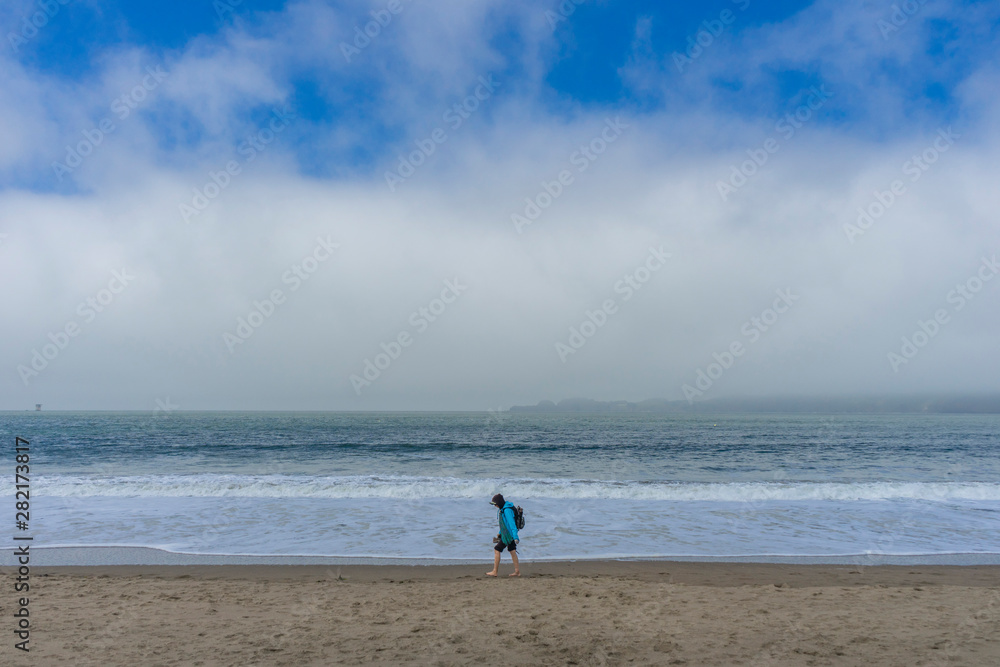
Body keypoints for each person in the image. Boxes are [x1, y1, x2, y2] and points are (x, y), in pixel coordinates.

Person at [486, 493, 520, 577]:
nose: (495, 506)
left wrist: (515, 537)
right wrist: (500, 533)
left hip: (509, 535)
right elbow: (504, 524)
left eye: (495, 504)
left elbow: (512, 524)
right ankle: (517, 571)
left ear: (499, 503)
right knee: (512, 551)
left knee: (497, 549)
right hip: (507, 534)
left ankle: (495, 571)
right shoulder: (503, 509)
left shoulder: (507, 510)